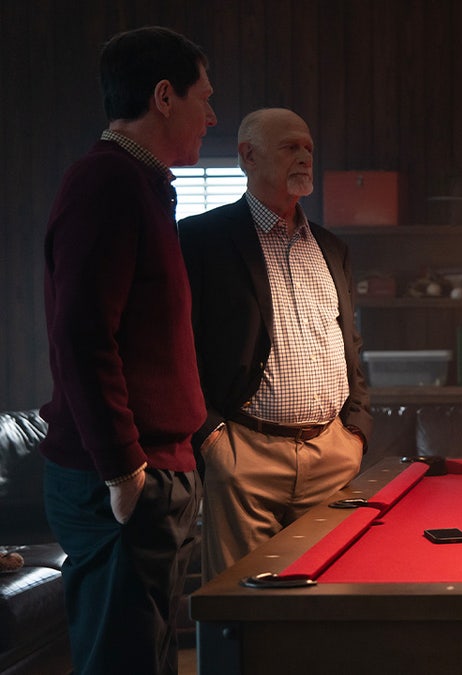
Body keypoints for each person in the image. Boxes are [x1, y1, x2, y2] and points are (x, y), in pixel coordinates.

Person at [39, 26, 216, 675]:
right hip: (121, 478)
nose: (212, 115)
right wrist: (122, 472)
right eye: (205, 97)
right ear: (164, 97)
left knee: (152, 657)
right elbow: (82, 334)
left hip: (156, 469)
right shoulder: (106, 182)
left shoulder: (139, 182)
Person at [178, 108, 371, 583]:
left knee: (331, 597)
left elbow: (350, 346)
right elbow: (174, 346)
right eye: (289, 147)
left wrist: (357, 430)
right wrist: (212, 437)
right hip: (245, 455)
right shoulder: (201, 239)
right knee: (240, 608)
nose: (304, 157)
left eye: (308, 148)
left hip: (332, 452)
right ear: (248, 156)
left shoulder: (332, 247)